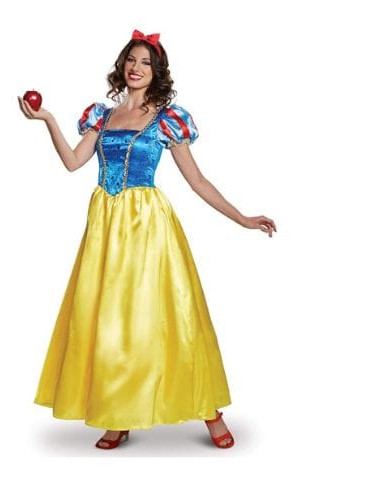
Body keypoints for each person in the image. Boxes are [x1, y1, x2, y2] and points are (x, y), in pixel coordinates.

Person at [17, 29, 276, 450]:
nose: (136, 68)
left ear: (157, 73)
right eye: (132, 60)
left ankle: (209, 410)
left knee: (167, 318)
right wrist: (47, 118)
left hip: (147, 227)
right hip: (105, 228)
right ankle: (117, 412)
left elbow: (197, 181)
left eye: (146, 63)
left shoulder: (165, 118)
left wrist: (243, 218)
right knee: (109, 322)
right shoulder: (101, 116)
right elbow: (73, 162)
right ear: (122, 65)